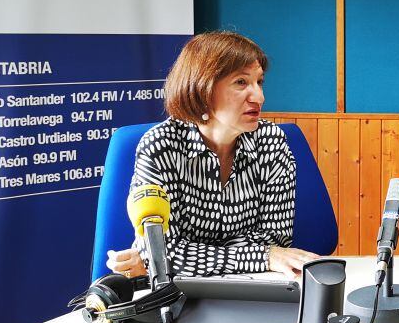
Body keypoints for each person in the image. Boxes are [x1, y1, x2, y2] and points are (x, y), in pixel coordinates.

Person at [105, 31, 318, 279]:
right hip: (177, 296)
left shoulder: (271, 141)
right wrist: (260, 256)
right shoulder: (160, 146)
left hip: (251, 287)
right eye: (241, 82)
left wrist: (178, 258)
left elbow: (274, 240)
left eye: (259, 82)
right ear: (202, 87)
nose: (259, 97)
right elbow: (161, 252)